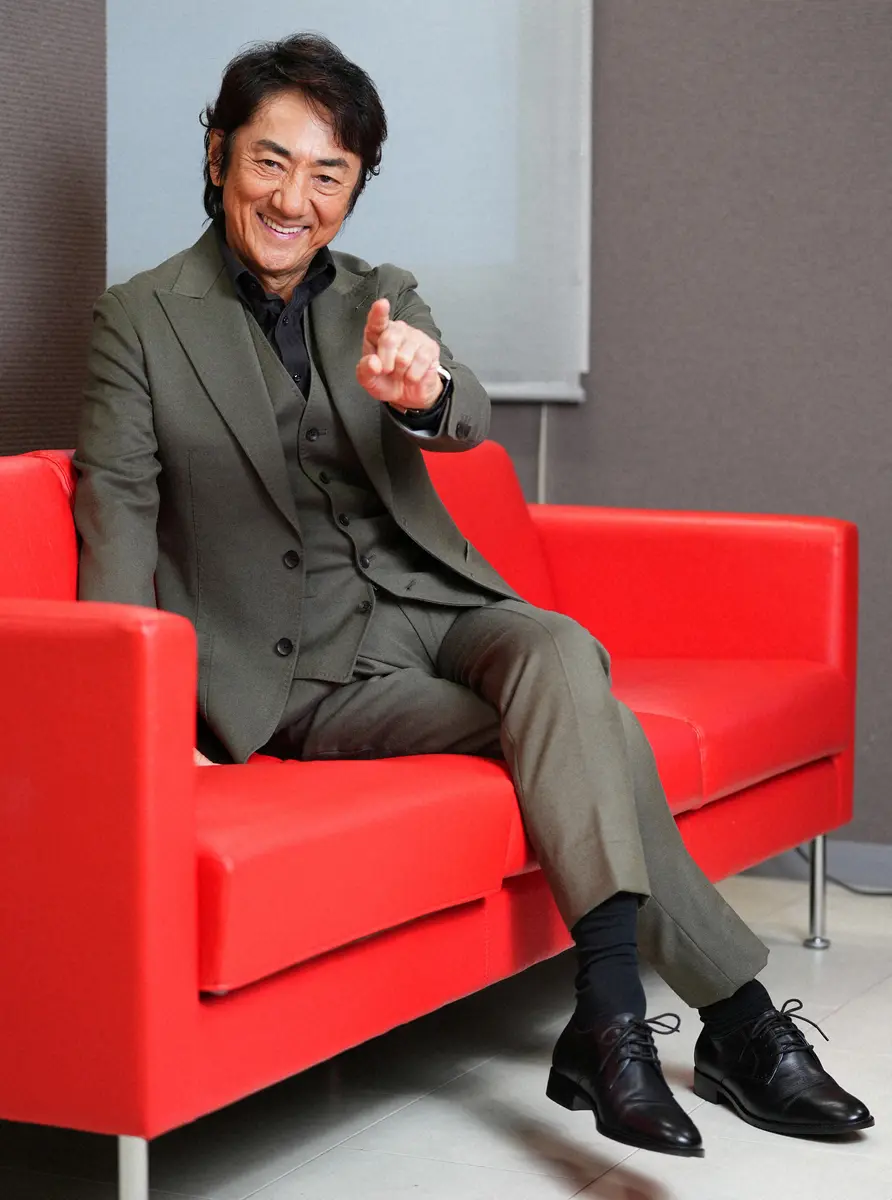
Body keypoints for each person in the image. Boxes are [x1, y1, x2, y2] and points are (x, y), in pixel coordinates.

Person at [73, 33, 873, 1158]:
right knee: (588, 724)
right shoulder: (141, 318)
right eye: (270, 162)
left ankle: (611, 1026)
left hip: (436, 606)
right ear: (217, 157)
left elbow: (461, 409)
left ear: (356, 186)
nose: (294, 200)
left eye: (329, 174)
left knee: (558, 649)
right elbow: (118, 511)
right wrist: (141, 723)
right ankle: (715, 1021)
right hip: (306, 674)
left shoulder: (380, 296)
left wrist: (423, 390)